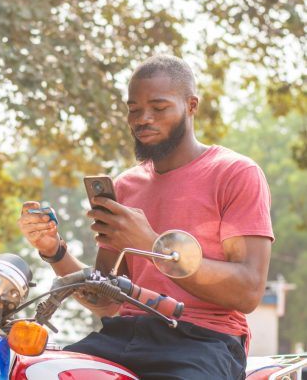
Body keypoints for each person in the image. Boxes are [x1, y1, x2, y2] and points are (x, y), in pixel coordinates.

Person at [17, 54, 273, 380]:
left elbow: (248, 292)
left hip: (203, 341)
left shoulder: (235, 173)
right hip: (122, 334)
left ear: (191, 105)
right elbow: (103, 297)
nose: (142, 119)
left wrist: (152, 246)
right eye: (133, 109)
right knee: (33, 371)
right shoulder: (125, 186)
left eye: (159, 107)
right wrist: (54, 249)